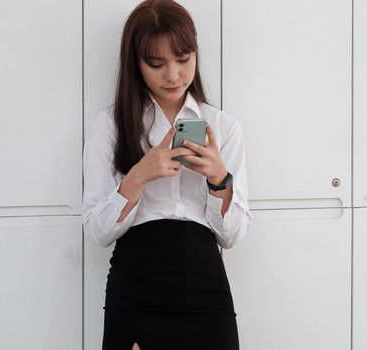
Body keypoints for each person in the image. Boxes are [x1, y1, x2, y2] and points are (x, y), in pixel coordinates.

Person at [81, 0, 252, 349]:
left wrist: (220, 180)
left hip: (206, 287)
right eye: (156, 64)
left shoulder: (223, 126)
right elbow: (98, 232)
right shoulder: (109, 126)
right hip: (137, 287)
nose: (173, 76)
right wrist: (137, 177)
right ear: (136, 63)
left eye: (183, 59)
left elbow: (231, 237)